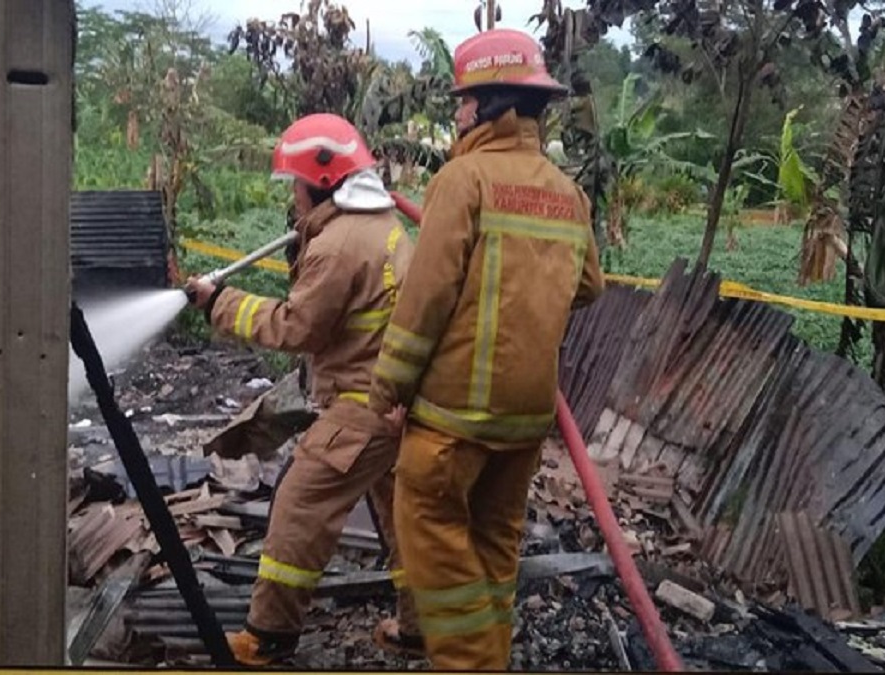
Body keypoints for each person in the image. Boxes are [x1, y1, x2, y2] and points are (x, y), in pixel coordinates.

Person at [366, 28, 606, 670]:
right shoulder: (567, 192)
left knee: (431, 535)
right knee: (494, 548)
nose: (456, 113)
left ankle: (470, 664)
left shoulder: (462, 179)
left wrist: (389, 388)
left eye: (463, 102)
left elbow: (424, 301)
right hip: (525, 420)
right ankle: (490, 659)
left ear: (492, 105)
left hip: (452, 419)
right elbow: (588, 286)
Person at [184, 112, 422, 666]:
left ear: (322, 181)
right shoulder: (381, 225)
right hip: (393, 406)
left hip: (361, 409)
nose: (292, 197)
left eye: (295, 184)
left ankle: (267, 635)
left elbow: (297, 327)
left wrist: (220, 302)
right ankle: (419, 629)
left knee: (298, 508)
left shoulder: (339, 245)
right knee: (401, 519)